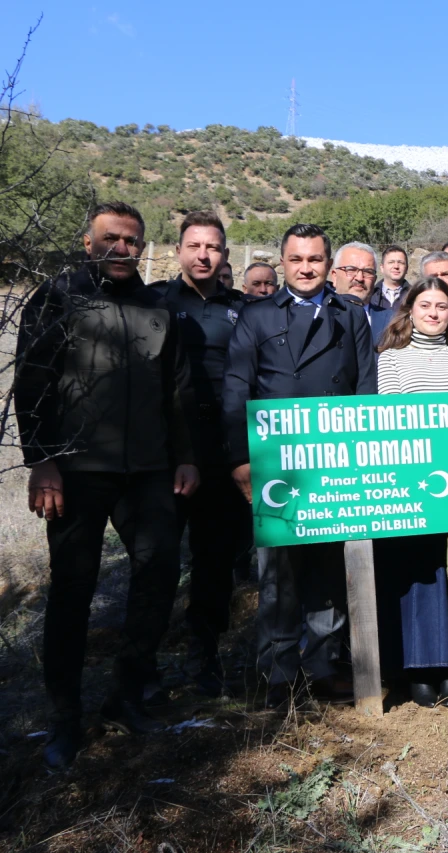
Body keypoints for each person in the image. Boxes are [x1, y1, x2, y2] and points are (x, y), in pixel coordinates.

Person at [16, 202, 199, 768]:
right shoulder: (55, 299)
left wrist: (186, 458)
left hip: (147, 471)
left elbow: (179, 391)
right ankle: (63, 719)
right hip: (76, 470)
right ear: (88, 241)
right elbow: (32, 383)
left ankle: (128, 694)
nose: (124, 250)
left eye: (133, 242)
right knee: (73, 590)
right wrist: (41, 461)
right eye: (112, 239)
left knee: (159, 574)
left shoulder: (157, 307)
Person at [223, 223, 377, 707]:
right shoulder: (256, 316)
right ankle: (278, 674)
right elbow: (235, 388)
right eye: (296, 259)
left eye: (314, 260)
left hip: (334, 463)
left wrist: (360, 459)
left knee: (329, 573)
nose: (306, 268)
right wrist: (240, 459)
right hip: (277, 464)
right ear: (283, 262)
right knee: (278, 576)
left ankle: (324, 666)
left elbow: (365, 390)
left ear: (328, 264)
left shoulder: (350, 317)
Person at [375, 278, 448, 706]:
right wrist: (431, 456)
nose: (434, 312)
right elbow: (394, 410)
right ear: (410, 310)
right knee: (416, 568)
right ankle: (420, 666)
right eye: (426, 305)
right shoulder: (393, 359)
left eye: (442, 306)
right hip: (415, 467)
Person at [159, 211, 248, 697]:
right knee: (158, 560)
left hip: (222, 451)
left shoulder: (242, 308)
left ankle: (204, 654)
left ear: (224, 255)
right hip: (167, 452)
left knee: (214, 558)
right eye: (194, 246)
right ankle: (144, 663)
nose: (203, 255)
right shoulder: (155, 302)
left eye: (212, 247)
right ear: (178, 251)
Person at [332, 241, 392, 346]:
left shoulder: (392, 322)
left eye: (368, 272)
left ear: (375, 279)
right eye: (350, 270)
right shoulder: (318, 317)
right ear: (334, 276)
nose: (359, 278)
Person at [370, 244, 409, 311]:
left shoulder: (415, 295)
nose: (396, 266)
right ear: (382, 268)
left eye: (401, 262)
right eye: (391, 262)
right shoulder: (370, 295)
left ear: (406, 269)